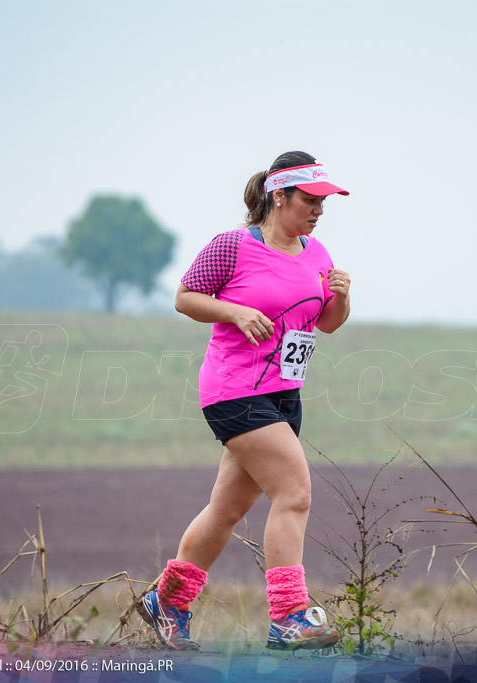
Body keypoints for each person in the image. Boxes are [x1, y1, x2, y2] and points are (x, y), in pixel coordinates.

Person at [136, 151, 352, 651]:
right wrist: (234, 312)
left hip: (283, 395)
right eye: (310, 199)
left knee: (226, 510)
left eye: (325, 201)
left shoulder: (317, 253)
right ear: (279, 196)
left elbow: (325, 325)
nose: (319, 209)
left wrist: (341, 298)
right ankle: (289, 615)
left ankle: (167, 601)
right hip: (235, 391)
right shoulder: (232, 246)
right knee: (294, 492)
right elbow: (185, 297)